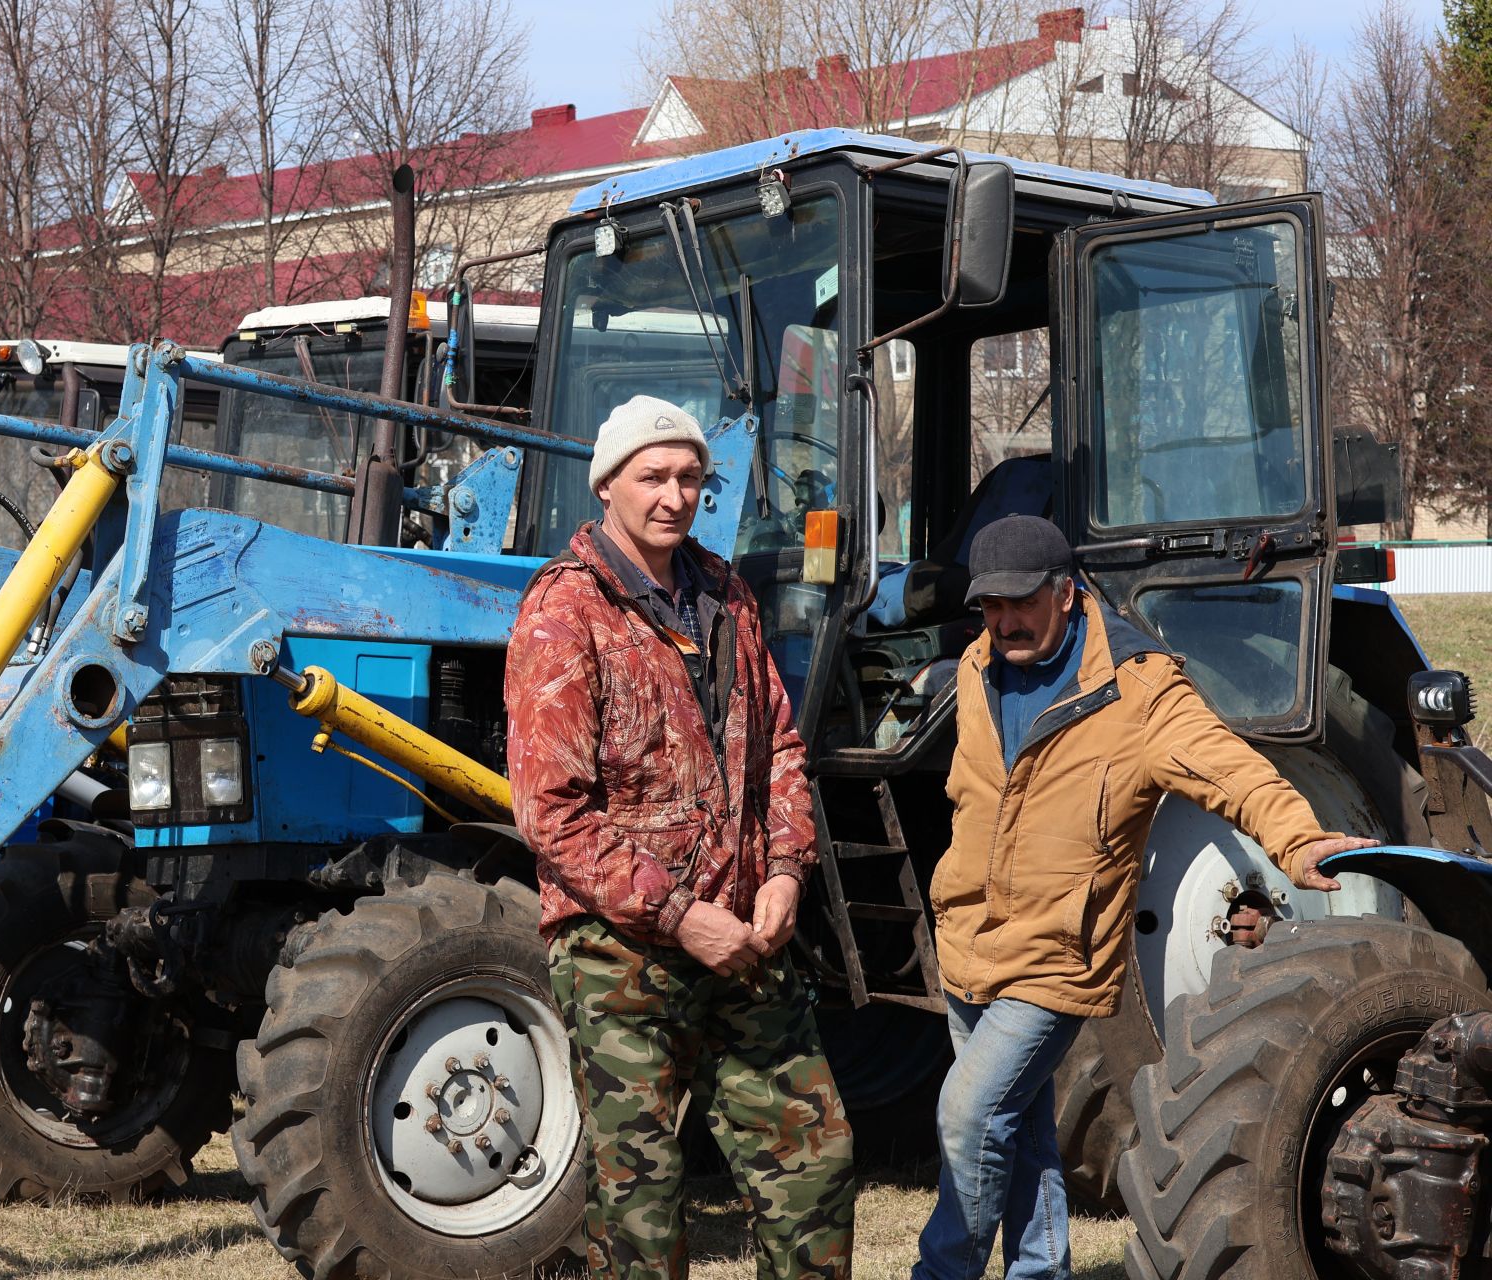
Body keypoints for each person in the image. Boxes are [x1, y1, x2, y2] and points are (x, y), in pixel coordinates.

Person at [914, 514, 1376, 1280]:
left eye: (1020, 603)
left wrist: (1296, 838)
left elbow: (1231, 770)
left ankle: (941, 1272)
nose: (1003, 623)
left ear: (1066, 593)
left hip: (1056, 955)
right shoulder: (975, 669)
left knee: (968, 1117)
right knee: (1022, 1129)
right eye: (989, 607)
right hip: (968, 937)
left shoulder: (1138, 690)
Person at [504, 395, 856, 1280]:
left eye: (689, 476)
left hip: (742, 934)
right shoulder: (565, 611)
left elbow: (778, 743)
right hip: (620, 949)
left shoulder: (725, 594)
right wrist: (677, 913)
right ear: (609, 485)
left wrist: (784, 872)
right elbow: (551, 813)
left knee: (814, 1161)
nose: (674, 494)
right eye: (653, 476)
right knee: (643, 1206)